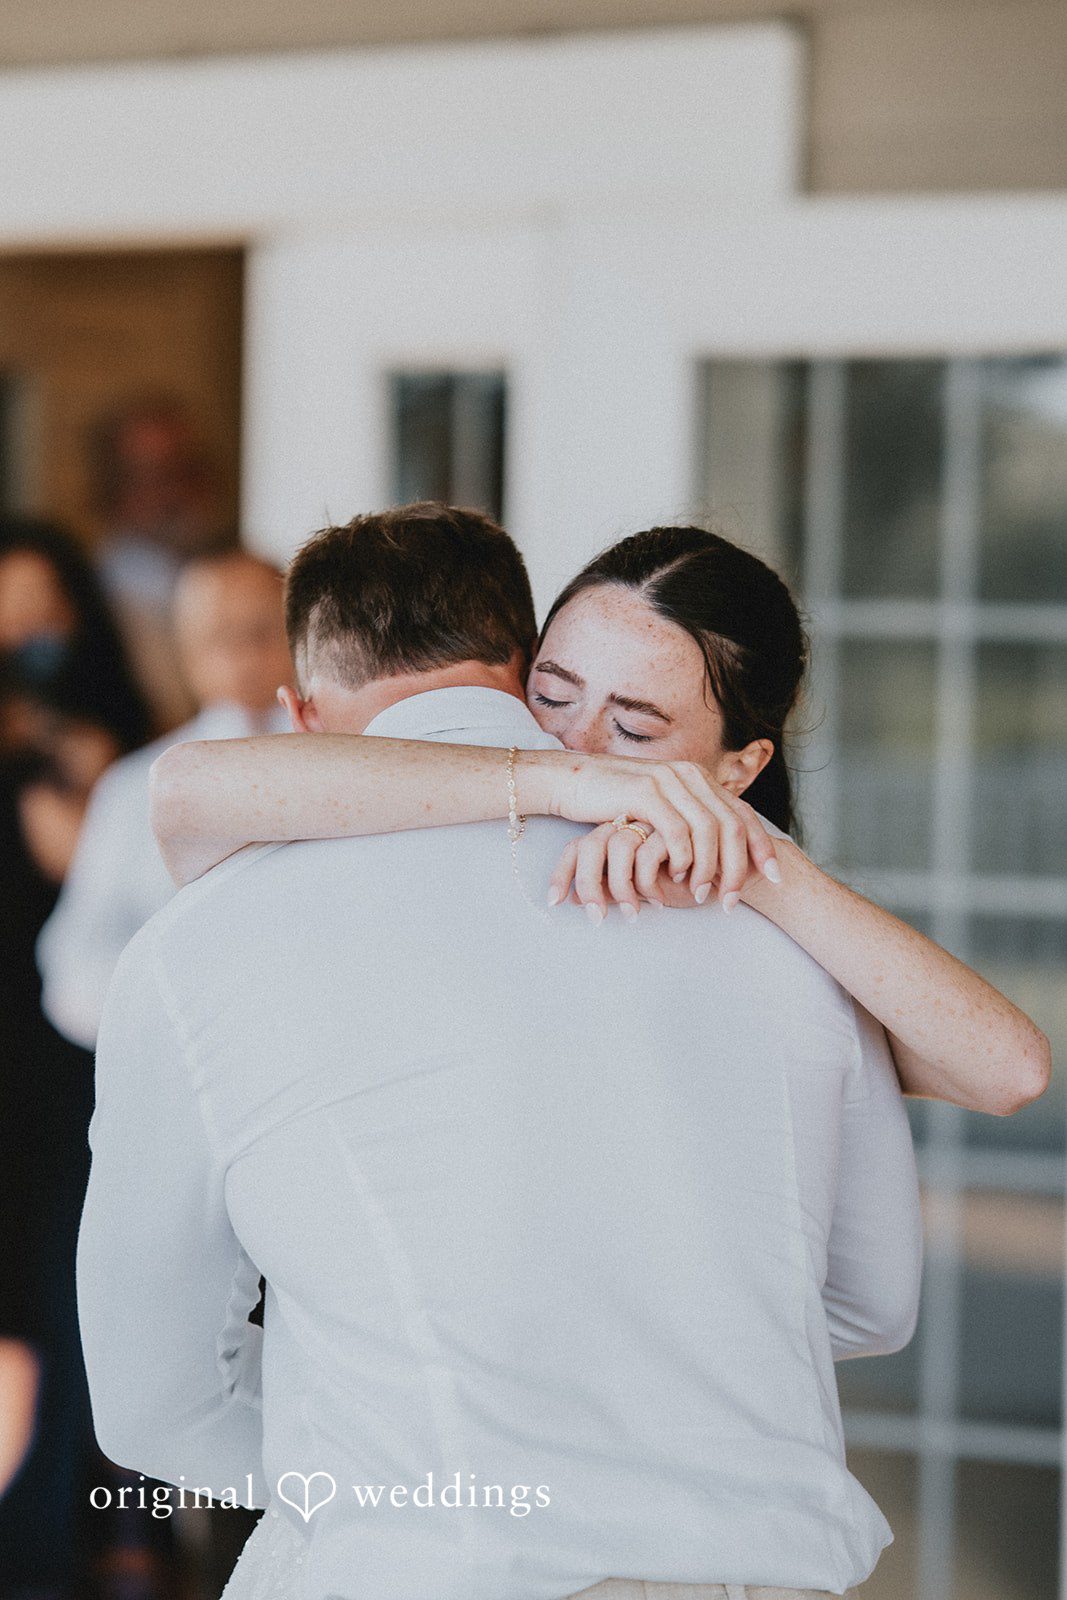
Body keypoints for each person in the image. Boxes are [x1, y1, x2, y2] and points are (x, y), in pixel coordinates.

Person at [78, 503, 924, 1600]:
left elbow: (155, 1400)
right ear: (528, 674)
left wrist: (399, 1467)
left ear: (297, 710)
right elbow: (870, 1305)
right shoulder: (781, 924)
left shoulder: (194, 950)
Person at [151, 515, 1051, 1121]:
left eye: (631, 728)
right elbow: (189, 791)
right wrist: (567, 787)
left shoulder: (747, 908)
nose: (573, 743)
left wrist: (760, 867)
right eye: (549, 693)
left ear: (738, 767)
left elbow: (1008, 1071)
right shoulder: (495, 790)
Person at [0, 517, 154, 1597]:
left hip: (63, 1057)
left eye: (38, 616)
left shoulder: (114, 738)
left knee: (62, 1296)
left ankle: (50, 1544)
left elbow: (94, 875)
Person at [37, 549, 292, 1051]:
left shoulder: (357, 758)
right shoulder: (133, 786)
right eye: (219, 637)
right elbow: (75, 960)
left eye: (261, 632)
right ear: (187, 652)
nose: (242, 656)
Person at [90, 396, 235, 732]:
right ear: (113, 490)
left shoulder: (229, 571)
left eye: (190, 469)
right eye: (156, 475)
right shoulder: (97, 597)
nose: (178, 492)